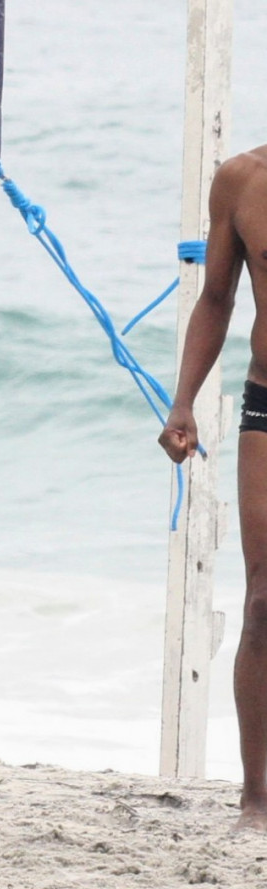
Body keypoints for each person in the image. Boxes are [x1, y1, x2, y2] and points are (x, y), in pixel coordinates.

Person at [160, 145, 267, 829]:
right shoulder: (242, 180)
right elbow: (216, 297)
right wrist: (182, 403)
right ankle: (256, 797)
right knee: (262, 600)